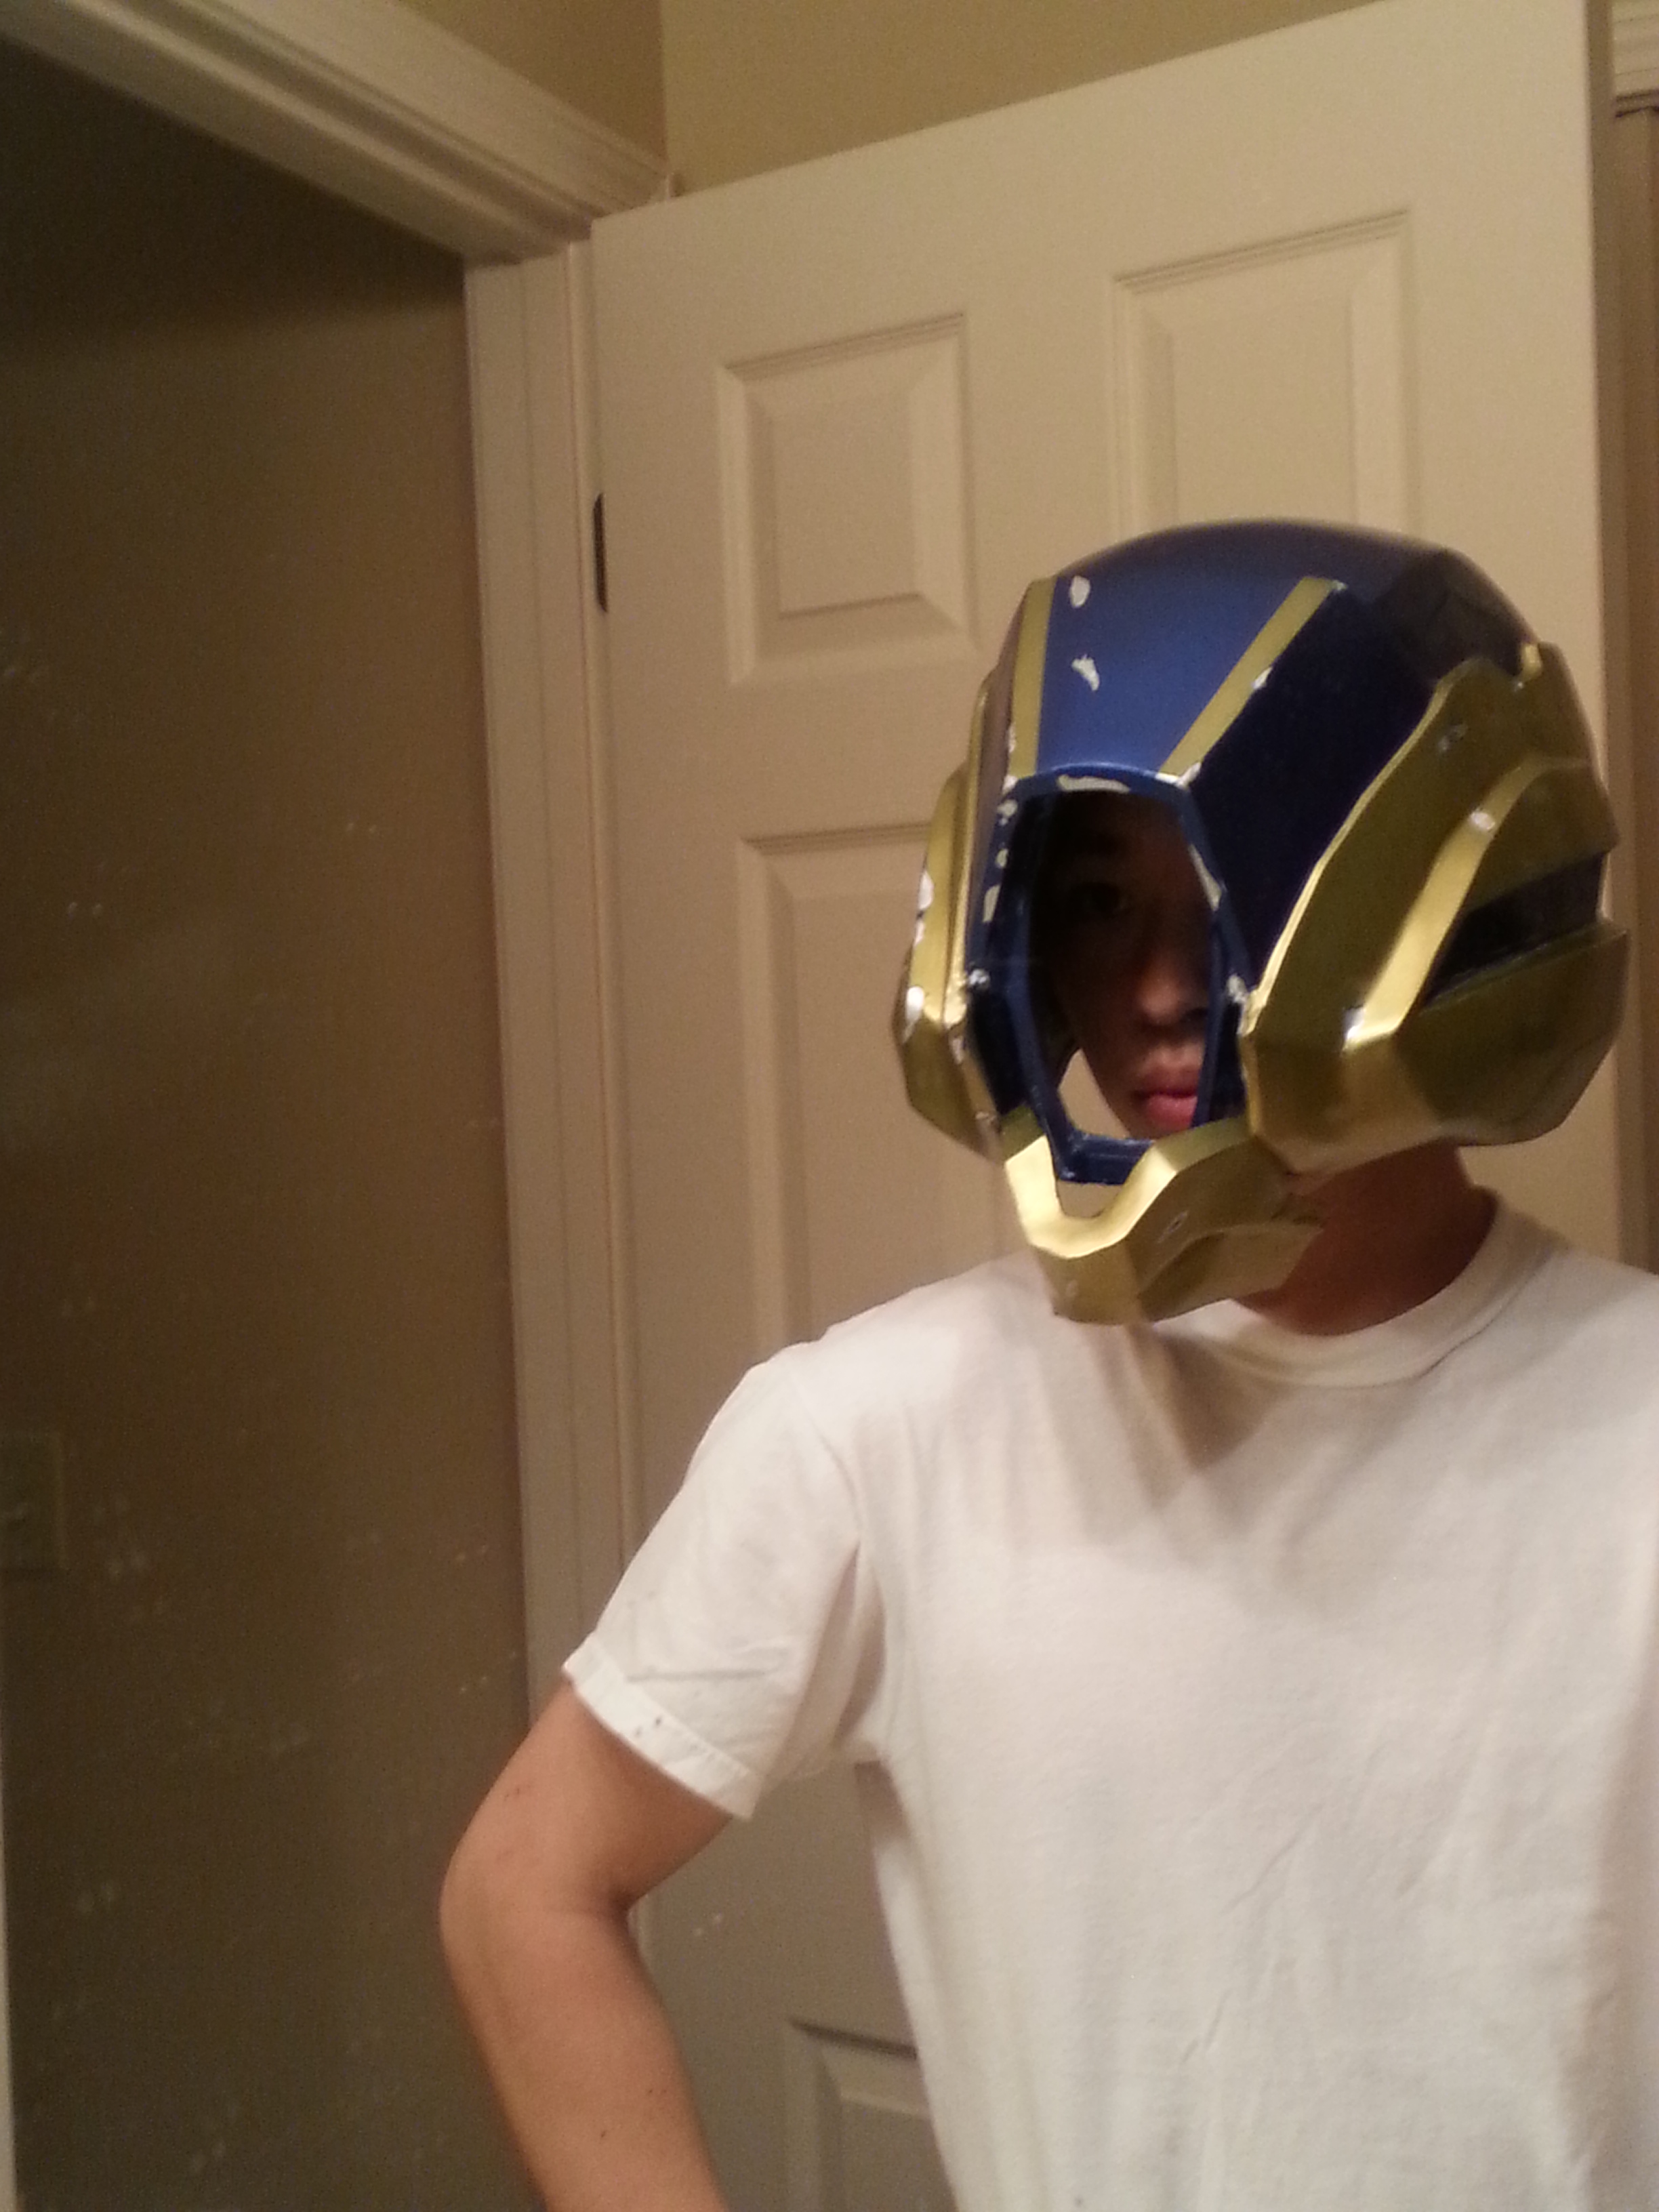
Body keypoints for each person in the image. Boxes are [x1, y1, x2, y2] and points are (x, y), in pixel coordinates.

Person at [442, 523, 1659, 2211]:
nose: (1154, 992)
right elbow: (525, 1884)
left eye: (1233, 898)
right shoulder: (882, 1432)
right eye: (1097, 907)